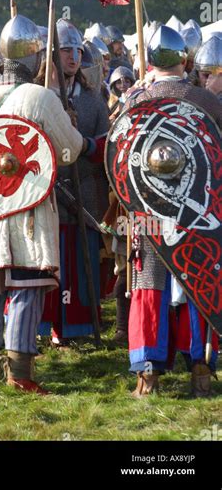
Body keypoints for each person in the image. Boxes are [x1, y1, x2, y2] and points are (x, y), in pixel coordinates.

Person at [0, 15, 85, 394]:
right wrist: (71, 126)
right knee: (25, 288)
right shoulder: (41, 97)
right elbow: (69, 150)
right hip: (25, 209)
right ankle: (20, 374)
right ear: (34, 57)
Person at [124, 25, 220, 397]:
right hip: (196, 212)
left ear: (150, 61)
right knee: (199, 283)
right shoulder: (204, 101)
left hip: (147, 210)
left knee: (149, 287)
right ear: (185, 60)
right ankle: (200, 371)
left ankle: (147, 376)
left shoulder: (134, 100)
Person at [41, 20, 109, 344]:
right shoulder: (40, 96)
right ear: (52, 53)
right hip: (49, 195)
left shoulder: (94, 100)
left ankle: (81, 326)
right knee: (51, 264)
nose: (73, 57)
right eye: (66, 50)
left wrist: (88, 145)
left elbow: (107, 144)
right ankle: (49, 327)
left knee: (82, 264)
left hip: (84, 192)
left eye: (78, 51)